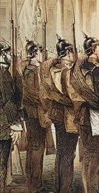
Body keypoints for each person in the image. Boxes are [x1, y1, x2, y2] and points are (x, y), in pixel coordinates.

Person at [69, 34, 99, 193]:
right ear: (93, 51)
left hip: (82, 118)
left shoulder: (78, 69)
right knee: (96, 160)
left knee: (88, 158)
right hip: (97, 118)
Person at [40, 36, 79, 192]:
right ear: (68, 53)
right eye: (71, 52)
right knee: (68, 154)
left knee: (61, 153)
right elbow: (71, 95)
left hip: (56, 114)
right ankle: (65, 189)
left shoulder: (51, 70)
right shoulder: (66, 72)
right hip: (67, 115)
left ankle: (59, 187)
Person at [18, 40, 49, 193]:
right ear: (35, 53)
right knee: (36, 148)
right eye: (41, 51)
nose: (44, 54)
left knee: (36, 148)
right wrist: (46, 103)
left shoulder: (34, 69)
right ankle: (35, 185)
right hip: (35, 114)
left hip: (37, 113)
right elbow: (31, 94)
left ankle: (35, 182)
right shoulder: (31, 71)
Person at [0, 41, 23, 193]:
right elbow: (8, 103)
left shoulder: (5, 72)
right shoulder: (3, 75)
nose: (10, 56)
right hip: (3, 125)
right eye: (7, 52)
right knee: (1, 164)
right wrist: (14, 124)